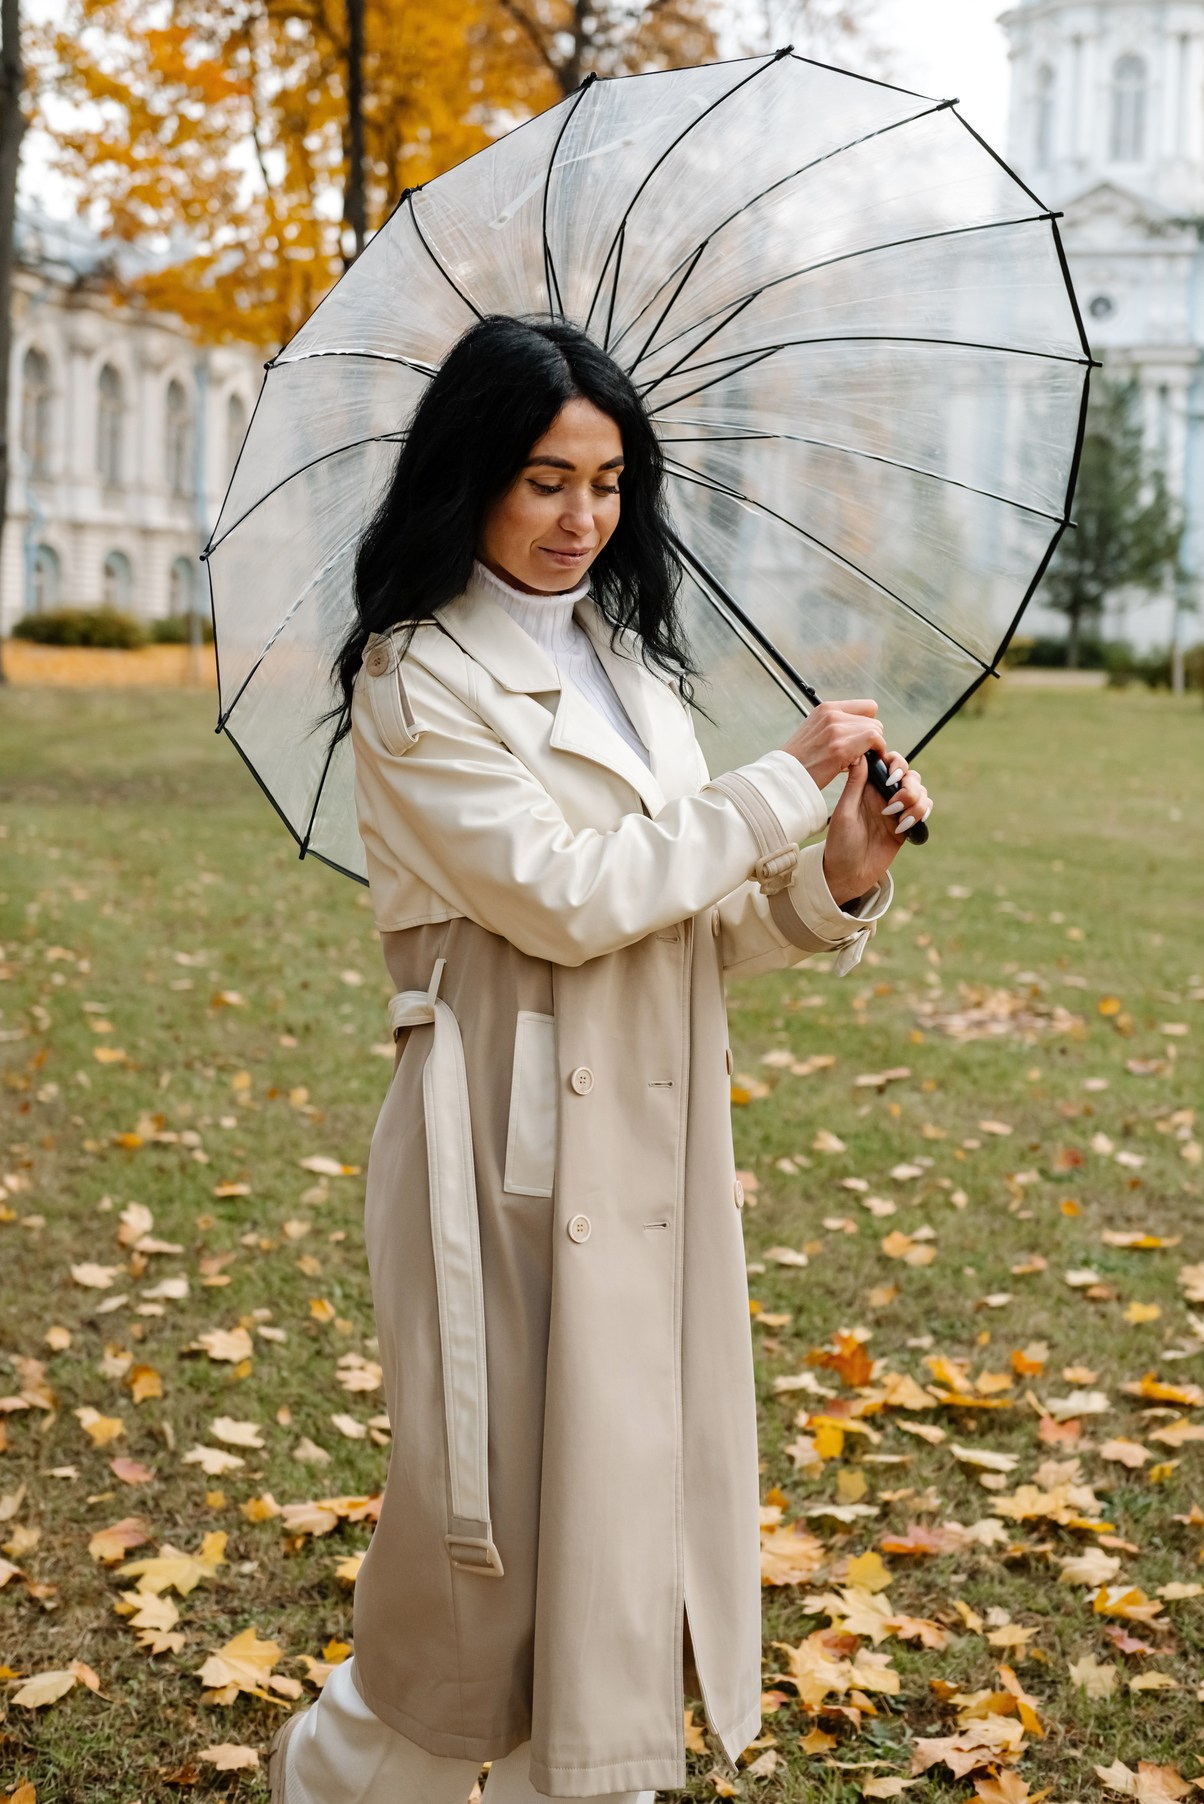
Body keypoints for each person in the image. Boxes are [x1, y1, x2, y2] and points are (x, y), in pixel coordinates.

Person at [270, 314, 931, 1804]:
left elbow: (681, 932)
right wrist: (780, 783)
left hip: (650, 1136)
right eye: (547, 480)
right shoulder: (414, 681)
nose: (583, 519)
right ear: (472, 479)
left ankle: (595, 1776)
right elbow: (570, 899)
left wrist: (836, 873)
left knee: (622, 1510)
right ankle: (344, 1772)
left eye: (610, 483)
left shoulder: (633, 667)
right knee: (489, 1534)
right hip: (494, 1146)